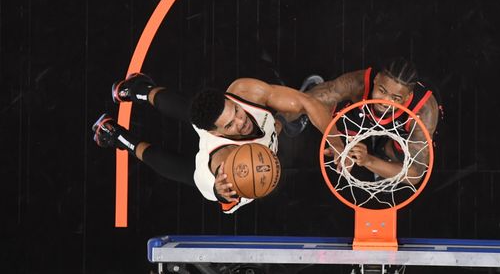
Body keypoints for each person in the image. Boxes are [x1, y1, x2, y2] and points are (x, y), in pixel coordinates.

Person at [91, 73, 328, 213]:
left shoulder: (240, 98)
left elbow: (301, 105)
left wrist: (338, 141)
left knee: (192, 108)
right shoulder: (220, 164)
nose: (240, 121)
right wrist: (220, 192)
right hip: (218, 179)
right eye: (230, 125)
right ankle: (121, 136)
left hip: (255, 144)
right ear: (214, 132)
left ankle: (137, 91)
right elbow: (213, 179)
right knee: (184, 171)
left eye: (236, 111)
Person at [284, 59, 440, 185]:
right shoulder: (359, 82)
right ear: (377, 79)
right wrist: (274, 126)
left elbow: (415, 175)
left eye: (395, 98)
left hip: (401, 131)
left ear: (406, 97)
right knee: (323, 108)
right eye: (382, 91)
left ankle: (383, 153)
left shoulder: (424, 112)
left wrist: (368, 161)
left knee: (398, 154)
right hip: (364, 115)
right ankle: (314, 93)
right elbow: (306, 101)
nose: (385, 101)